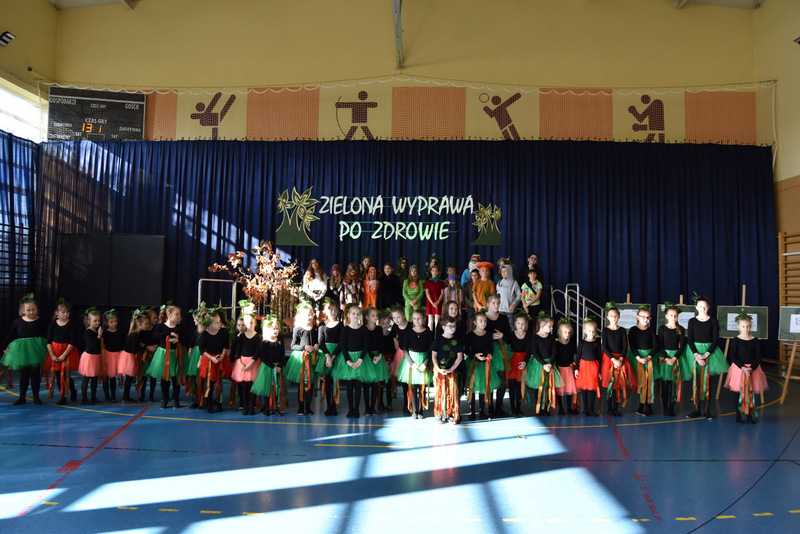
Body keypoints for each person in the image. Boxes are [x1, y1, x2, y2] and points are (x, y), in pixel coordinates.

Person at [681, 295, 728, 419]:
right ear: (696, 307)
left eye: (705, 307)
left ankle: (707, 410)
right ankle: (696, 409)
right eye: (701, 307)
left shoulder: (713, 321)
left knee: (708, 382)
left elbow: (715, 340)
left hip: (710, 352)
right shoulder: (692, 321)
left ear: (709, 307)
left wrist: (706, 354)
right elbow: (690, 340)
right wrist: (697, 355)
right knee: (696, 382)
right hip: (694, 352)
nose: (703, 309)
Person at [2, 294, 47, 405]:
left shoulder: (40, 321)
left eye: (33, 309)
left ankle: (36, 397)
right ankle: (22, 397)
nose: (31, 312)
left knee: (35, 374)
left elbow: (47, 334)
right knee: (24, 375)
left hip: (36, 350)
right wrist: (5, 347)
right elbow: (11, 335)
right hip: (22, 351)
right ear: (23, 311)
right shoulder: (18, 321)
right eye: (28, 310)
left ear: (37, 309)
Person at [724, 311, 768, 424]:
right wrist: (743, 367)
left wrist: (751, 368)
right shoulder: (735, 340)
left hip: (753, 369)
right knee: (737, 393)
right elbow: (733, 356)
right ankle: (738, 415)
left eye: (748, 326)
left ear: (751, 326)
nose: (746, 329)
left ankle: (749, 415)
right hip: (739, 369)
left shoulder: (755, 340)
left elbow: (759, 356)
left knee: (750, 392)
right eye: (743, 326)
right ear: (738, 326)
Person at [146, 304, 189, 409]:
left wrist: (178, 339)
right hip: (164, 355)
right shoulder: (161, 326)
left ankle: (176, 400)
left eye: (179, 314)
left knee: (176, 378)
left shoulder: (180, 327)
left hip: (176, 354)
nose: (179, 316)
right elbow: (155, 335)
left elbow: (186, 339)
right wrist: (168, 333)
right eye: (176, 314)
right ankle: (165, 400)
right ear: (169, 315)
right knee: (165, 379)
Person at [395, 309, 434, 419]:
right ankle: (414, 411)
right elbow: (404, 348)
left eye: (419, 318)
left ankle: (421, 411)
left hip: (423, 360)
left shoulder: (428, 333)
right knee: (412, 387)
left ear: (424, 319)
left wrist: (425, 364)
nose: (417, 320)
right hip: (412, 360)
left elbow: (431, 350)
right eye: (415, 318)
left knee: (422, 386)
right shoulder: (409, 332)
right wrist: (411, 363)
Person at [601, 303, 636, 417]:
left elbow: (625, 346)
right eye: (611, 316)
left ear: (619, 317)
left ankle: (616, 408)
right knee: (610, 384)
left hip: (621, 359)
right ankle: (609, 408)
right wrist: (613, 360)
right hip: (609, 359)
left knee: (618, 385)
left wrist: (620, 359)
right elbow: (605, 347)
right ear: (608, 317)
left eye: (615, 315)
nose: (613, 318)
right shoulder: (605, 331)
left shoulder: (622, 330)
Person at [284, 302, 319, 416]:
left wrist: (317, 345)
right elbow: (293, 345)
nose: (310, 316)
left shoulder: (316, 328)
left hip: (312, 358)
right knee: (302, 384)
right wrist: (304, 347)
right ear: (301, 316)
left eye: (311, 314)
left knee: (310, 384)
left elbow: (318, 341)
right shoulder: (298, 329)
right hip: (301, 359)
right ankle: (300, 407)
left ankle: (308, 408)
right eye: (308, 314)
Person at [526, 312, 563, 416]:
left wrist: (550, 364)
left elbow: (554, 351)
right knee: (539, 387)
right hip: (538, 364)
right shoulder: (534, 337)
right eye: (550, 326)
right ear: (542, 325)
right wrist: (543, 364)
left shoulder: (551, 337)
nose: (551, 328)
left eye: (552, 326)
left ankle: (546, 408)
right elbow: (534, 352)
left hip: (549, 364)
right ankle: (538, 408)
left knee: (547, 387)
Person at [336, 305, 368, 418]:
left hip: (360, 360)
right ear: (348, 315)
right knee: (349, 386)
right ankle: (350, 409)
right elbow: (343, 346)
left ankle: (356, 409)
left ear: (360, 316)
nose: (355, 315)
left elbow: (366, 346)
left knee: (358, 386)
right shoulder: (345, 329)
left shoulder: (364, 329)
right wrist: (348, 361)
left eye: (358, 314)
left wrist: (360, 359)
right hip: (348, 359)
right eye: (353, 313)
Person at [465, 311, 498, 420]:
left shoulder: (488, 335)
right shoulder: (470, 335)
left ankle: (482, 411)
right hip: (473, 364)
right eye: (481, 321)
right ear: (475, 322)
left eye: (485, 321)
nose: (483, 323)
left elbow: (491, 349)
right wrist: (475, 355)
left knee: (483, 388)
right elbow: (466, 351)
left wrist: (490, 355)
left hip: (484, 364)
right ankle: (472, 412)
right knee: (473, 388)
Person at [656, 303, 688, 417]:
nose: (673, 318)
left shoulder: (681, 329)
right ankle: (665, 407)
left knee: (675, 383)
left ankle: (671, 407)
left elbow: (682, 346)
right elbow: (660, 345)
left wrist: (674, 358)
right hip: (665, 358)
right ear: (666, 316)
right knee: (665, 384)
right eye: (671, 315)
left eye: (675, 315)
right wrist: (666, 358)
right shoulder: (662, 328)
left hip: (676, 357)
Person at [251, 315, 286, 417]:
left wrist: (279, 366)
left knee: (276, 388)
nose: (275, 330)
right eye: (273, 328)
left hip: (278, 367)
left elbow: (282, 354)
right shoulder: (264, 343)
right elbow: (263, 357)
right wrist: (273, 367)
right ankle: (266, 408)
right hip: (268, 368)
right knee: (267, 388)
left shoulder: (280, 341)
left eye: (277, 328)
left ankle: (275, 408)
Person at [46, 298, 79, 405]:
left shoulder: (71, 324)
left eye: (67, 312)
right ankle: (62, 397)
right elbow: (48, 340)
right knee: (57, 375)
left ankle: (72, 390)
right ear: (57, 313)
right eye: (63, 312)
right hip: (55, 351)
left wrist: (64, 355)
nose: (66, 314)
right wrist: (52, 354)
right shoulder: (53, 324)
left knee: (65, 375)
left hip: (67, 351)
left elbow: (72, 341)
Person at [197, 307, 230, 413]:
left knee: (219, 382)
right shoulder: (204, 335)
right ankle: (209, 404)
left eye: (219, 321)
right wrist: (211, 358)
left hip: (219, 358)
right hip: (209, 360)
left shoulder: (222, 332)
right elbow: (202, 350)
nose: (219, 324)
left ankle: (219, 402)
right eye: (216, 323)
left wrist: (222, 355)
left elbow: (224, 345)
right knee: (210, 383)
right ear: (209, 324)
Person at [431, 316, 463, 424]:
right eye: (450, 326)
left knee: (452, 392)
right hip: (440, 371)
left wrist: (452, 368)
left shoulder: (457, 340)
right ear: (444, 327)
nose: (453, 328)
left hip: (452, 371)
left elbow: (459, 357)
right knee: (441, 392)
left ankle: (450, 413)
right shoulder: (438, 340)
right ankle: (440, 413)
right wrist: (438, 369)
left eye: (454, 326)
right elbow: (434, 356)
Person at [628, 305, 658, 416]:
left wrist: (649, 357)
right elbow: (632, 345)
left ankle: (649, 406)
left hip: (649, 358)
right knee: (641, 382)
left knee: (648, 382)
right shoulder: (633, 330)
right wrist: (638, 358)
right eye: (643, 317)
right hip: (637, 358)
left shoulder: (651, 330)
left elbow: (655, 346)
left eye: (648, 317)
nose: (646, 319)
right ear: (638, 317)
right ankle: (641, 405)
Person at [231, 311, 262, 415]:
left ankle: (252, 406)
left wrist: (251, 363)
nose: (249, 325)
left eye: (251, 322)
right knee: (244, 386)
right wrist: (240, 363)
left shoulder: (258, 337)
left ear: (255, 324)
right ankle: (245, 406)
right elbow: (238, 351)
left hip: (253, 363)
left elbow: (257, 352)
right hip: (242, 363)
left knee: (253, 386)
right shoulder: (241, 337)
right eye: (247, 323)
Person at [485, 293, 511, 416]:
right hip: (488, 350)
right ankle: (490, 407)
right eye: (493, 303)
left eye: (498, 303)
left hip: (500, 351)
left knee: (502, 381)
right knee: (490, 379)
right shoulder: (483, 317)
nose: (496, 305)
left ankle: (498, 408)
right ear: (487, 304)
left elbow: (509, 334)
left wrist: (503, 335)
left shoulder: (503, 318)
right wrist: (489, 337)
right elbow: (477, 333)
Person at [362, 306, 390, 415]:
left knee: (375, 384)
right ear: (367, 317)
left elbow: (381, 344)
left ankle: (373, 407)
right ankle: (367, 408)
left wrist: (379, 355)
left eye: (376, 315)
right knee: (366, 384)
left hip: (377, 357)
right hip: (367, 357)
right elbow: (364, 345)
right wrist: (371, 357)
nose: (375, 317)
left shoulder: (378, 329)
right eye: (373, 315)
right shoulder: (364, 329)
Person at [317, 299, 343, 416]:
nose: (333, 312)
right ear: (326, 311)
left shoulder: (340, 325)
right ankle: (329, 406)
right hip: (325, 354)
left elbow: (341, 343)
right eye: (330, 310)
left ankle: (334, 405)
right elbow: (321, 342)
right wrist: (327, 356)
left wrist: (333, 357)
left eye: (335, 310)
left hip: (337, 355)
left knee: (335, 381)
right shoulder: (322, 325)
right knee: (327, 381)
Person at [118, 308, 148, 404]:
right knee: (129, 377)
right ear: (139, 324)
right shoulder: (135, 335)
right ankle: (125, 397)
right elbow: (134, 348)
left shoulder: (135, 334)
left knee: (129, 378)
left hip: (129, 356)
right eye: (146, 324)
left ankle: (126, 396)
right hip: (129, 357)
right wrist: (142, 346)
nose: (147, 325)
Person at [575, 317, 602, 417]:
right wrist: (576, 368)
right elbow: (578, 356)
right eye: (589, 330)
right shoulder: (582, 342)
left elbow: (599, 357)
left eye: (593, 331)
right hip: (583, 367)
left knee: (592, 389)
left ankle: (591, 409)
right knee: (584, 389)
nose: (591, 333)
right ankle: (585, 409)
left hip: (593, 367)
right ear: (585, 331)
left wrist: (600, 371)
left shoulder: (597, 342)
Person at [504, 312, 530, 417]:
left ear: (526, 324)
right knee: (512, 386)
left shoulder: (528, 336)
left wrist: (525, 362)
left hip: (522, 362)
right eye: (519, 323)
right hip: (512, 361)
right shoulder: (511, 335)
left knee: (520, 386)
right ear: (515, 323)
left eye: (523, 323)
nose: (521, 325)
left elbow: (530, 351)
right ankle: (512, 408)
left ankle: (519, 407)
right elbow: (504, 345)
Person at [78, 307, 103, 405]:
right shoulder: (88, 332)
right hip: (89, 357)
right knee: (87, 378)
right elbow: (92, 345)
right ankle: (84, 399)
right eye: (95, 321)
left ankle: (93, 397)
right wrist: (99, 336)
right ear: (89, 321)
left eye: (99, 320)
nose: (97, 323)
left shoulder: (96, 331)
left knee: (94, 378)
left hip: (96, 356)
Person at [554, 318, 579, 415]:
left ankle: (569, 407)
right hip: (559, 369)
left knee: (569, 388)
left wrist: (574, 365)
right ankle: (560, 408)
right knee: (559, 389)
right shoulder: (556, 344)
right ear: (559, 332)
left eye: (569, 332)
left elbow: (573, 356)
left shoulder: (571, 344)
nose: (567, 334)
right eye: (565, 332)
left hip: (568, 369)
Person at [390, 305, 412, 413]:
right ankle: (405, 403)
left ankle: (412, 403)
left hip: (411, 353)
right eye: (394, 318)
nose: (396, 320)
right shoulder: (395, 326)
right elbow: (392, 334)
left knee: (411, 381)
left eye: (398, 317)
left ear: (403, 316)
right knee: (404, 381)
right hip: (401, 353)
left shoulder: (410, 325)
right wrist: (395, 340)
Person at [101, 309, 125, 403]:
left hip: (117, 356)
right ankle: (107, 396)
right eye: (111, 322)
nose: (114, 323)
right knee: (106, 377)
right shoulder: (104, 333)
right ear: (106, 323)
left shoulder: (120, 332)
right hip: (108, 356)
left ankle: (113, 396)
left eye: (115, 321)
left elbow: (123, 343)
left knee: (113, 377)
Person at [424, 263, 446, 330]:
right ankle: (430, 334)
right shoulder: (428, 282)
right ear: (431, 272)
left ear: (438, 272)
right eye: (433, 271)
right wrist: (432, 303)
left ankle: (437, 334)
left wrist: (437, 302)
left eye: (436, 271)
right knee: (430, 319)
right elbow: (427, 293)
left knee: (437, 319)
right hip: (430, 302)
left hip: (438, 302)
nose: (434, 272)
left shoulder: (441, 282)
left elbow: (442, 293)